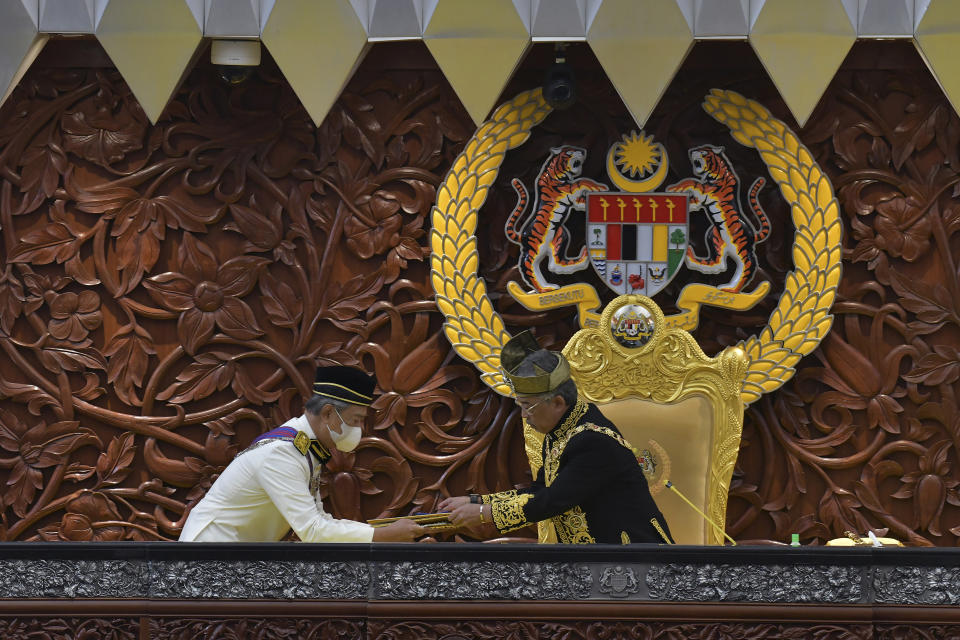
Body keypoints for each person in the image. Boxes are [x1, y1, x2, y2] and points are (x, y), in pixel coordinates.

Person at [439, 332, 673, 544]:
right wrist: (477, 502)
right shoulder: (562, 432)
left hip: (636, 560)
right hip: (597, 561)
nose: (523, 415)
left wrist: (484, 514)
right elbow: (539, 492)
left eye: (528, 406)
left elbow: (552, 501)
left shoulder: (593, 439)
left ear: (558, 402)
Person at [179, 365, 424, 543]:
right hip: (207, 559)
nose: (360, 430)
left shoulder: (304, 449)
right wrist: (382, 536)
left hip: (232, 560)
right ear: (328, 413)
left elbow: (320, 520)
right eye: (355, 420)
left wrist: (386, 529)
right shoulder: (282, 454)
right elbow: (313, 531)